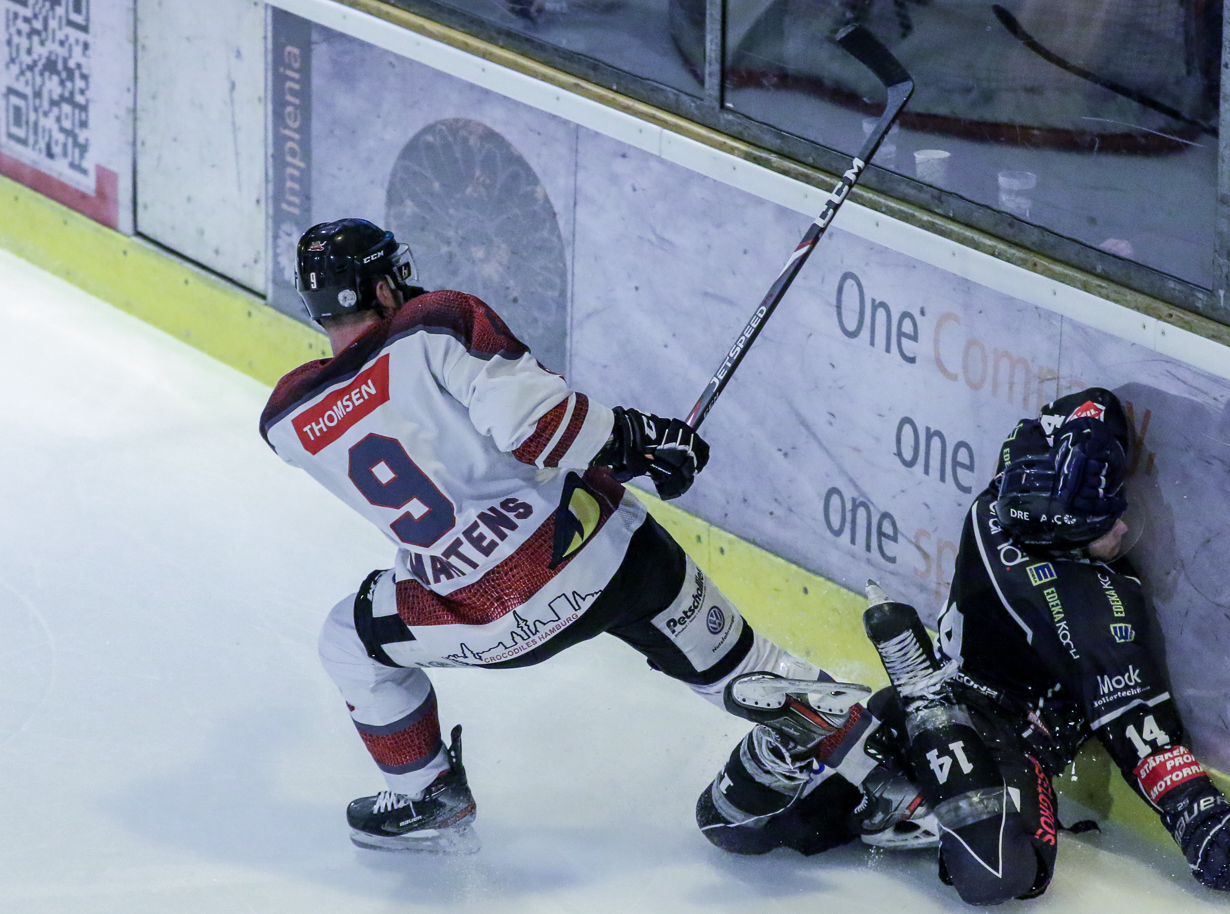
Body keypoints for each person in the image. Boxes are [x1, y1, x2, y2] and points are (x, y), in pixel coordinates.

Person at [261, 218, 845, 852]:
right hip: (607, 553)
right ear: (380, 285)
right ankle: (885, 754)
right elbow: (539, 429)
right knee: (745, 671)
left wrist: (625, 447)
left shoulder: (288, 417)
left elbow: (418, 426)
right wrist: (640, 440)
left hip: (483, 619)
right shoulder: (436, 321)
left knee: (349, 640)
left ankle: (426, 793)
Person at [698, 387, 1230, 905]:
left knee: (727, 827)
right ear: (1064, 536)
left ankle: (821, 746)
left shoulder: (994, 511)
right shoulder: (1102, 607)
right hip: (996, 746)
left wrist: (1090, 448)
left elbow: (1081, 410)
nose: (1121, 528)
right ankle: (928, 723)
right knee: (997, 874)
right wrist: (1205, 822)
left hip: (895, 719)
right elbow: (1142, 734)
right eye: (1104, 521)